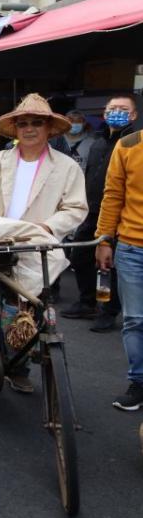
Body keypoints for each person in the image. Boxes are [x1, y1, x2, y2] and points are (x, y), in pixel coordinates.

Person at [0, 93, 88, 393]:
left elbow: (76, 208)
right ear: (15, 128)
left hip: (36, 247)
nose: (29, 129)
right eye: (23, 123)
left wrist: (48, 225)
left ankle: (19, 365)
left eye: (36, 123)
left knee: (31, 308)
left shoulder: (67, 167)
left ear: (48, 129)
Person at [67, 96, 140, 329]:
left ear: (134, 115)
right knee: (79, 256)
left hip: (120, 215)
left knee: (112, 265)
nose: (117, 112)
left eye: (123, 109)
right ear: (104, 114)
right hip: (92, 209)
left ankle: (109, 311)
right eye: (112, 109)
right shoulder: (98, 142)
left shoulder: (131, 143)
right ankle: (87, 301)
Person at [96, 118, 143, 410]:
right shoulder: (128, 145)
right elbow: (112, 195)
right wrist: (103, 240)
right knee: (135, 319)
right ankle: (139, 381)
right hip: (131, 247)